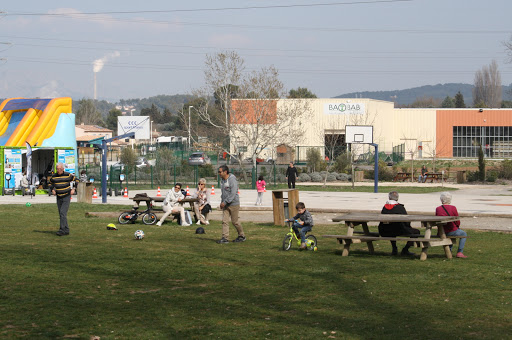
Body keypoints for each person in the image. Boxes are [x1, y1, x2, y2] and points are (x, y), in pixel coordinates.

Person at [378, 191, 420, 256]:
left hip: (384, 230)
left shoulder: (384, 208)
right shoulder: (400, 208)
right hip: (399, 230)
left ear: (389, 197)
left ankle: (394, 248)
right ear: (397, 198)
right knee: (416, 232)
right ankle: (405, 250)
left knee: (391, 227)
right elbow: (406, 220)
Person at [217, 165, 246, 244]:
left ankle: (241, 235)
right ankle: (225, 238)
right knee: (224, 221)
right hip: (225, 205)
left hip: (233, 204)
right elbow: (224, 193)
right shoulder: (222, 180)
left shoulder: (232, 179)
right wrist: (222, 202)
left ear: (225, 172)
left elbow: (233, 193)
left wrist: (225, 202)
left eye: (220, 172)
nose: (219, 173)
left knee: (235, 221)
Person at [435, 192, 468, 258]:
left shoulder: (438, 209)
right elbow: (457, 221)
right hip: (451, 230)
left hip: (442, 232)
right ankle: (460, 252)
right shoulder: (453, 208)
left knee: (451, 235)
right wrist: (457, 227)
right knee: (463, 234)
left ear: (441, 199)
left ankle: (449, 250)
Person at [50, 163, 79, 236]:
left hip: (66, 196)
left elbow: (77, 180)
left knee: (63, 212)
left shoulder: (68, 175)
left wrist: (74, 189)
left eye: (60, 169)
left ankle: (62, 230)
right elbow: (50, 183)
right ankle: (66, 229)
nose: (58, 170)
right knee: (61, 214)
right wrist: (52, 189)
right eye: (57, 169)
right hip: (59, 196)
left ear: (63, 169)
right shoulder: (54, 176)